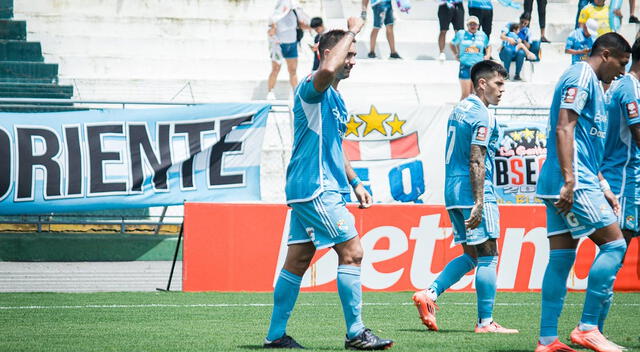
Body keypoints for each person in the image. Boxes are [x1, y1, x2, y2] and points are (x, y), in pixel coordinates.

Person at [263, 17, 394, 350]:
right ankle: (356, 333)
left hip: (316, 188)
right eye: (346, 54)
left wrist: (355, 181)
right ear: (323, 53)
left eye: (354, 56)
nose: (351, 62)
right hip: (317, 187)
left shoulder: (335, 99)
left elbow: (335, 145)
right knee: (352, 252)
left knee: (297, 261)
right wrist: (352, 31)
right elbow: (326, 70)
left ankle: (275, 336)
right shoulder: (311, 86)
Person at [534, 32, 630, 352]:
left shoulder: (596, 87)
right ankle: (588, 327)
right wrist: (570, 179)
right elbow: (564, 127)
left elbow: (586, 146)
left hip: (572, 179)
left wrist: (602, 185)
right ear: (605, 54)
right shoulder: (581, 75)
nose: (622, 71)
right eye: (621, 63)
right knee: (615, 245)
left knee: (561, 258)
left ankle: (547, 340)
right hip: (571, 181)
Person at [412, 60, 518, 335]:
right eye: (498, 83)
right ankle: (485, 322)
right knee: (488, 255)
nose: (502, 89)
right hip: (473, 191)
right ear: (482, 83)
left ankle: (430, 294)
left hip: (452, 190)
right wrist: (480, 200)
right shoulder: (482, 115)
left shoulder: (459, 108)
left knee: (471, 255)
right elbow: (476, 159)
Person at [598, 37, 640, 336]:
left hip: (632, 182)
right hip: (624, 183)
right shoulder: (629, 87)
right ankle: (591, 327)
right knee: (615, 256)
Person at [267, 0, 309, 100]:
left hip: (292, 44)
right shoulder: (275, 15)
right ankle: (270, 91)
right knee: (275, 69)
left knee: (293, 70)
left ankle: (296, 93)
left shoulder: (296, 12)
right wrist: (273, 27)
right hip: (279, 46)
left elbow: (304, 25)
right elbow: (270, 32)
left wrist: (309, 24)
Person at [450, 16, 491, 100]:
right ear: (467, 25)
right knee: (466, 94)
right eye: (470, 24)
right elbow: (451, 44)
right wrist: (456, 54)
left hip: (478, 67)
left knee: (476, 94)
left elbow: (488, 46)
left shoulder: (482, 35)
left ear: (478, 25)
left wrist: (487, 55)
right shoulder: (461, 34)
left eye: (475, 24)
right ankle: (460, 112)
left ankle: (473, 112)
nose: (473, 26)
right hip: (465, 66)